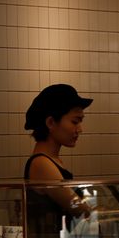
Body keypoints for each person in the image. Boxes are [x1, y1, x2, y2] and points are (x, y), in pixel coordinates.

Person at [23, 83, 92, 218]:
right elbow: (76, 206)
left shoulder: (53, 160)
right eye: (75, 122)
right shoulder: (41, 163)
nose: (80, 129)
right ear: (51, 123)